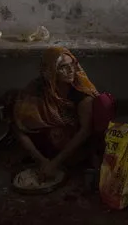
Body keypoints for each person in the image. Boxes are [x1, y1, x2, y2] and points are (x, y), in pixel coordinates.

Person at [12, 47, 115, 179]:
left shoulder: (81, 92)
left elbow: (85, 131)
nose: (71, 70)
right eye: (63, 67)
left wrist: (55, 163)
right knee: (15, 104)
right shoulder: (37, 89)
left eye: (72, 64)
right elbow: (20, 128)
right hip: (49, 140)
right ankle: (44, 159)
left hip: (75, 142)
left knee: (103, 102)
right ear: (51, 71)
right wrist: (42, 161)